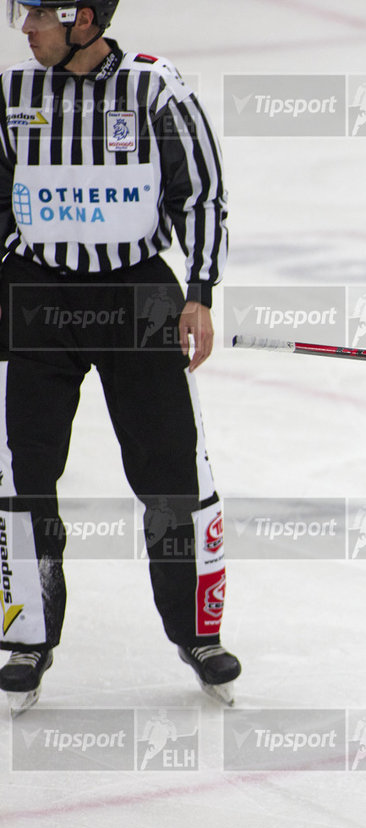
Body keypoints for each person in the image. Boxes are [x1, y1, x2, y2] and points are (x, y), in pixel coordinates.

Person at [0, 0, 235, 711]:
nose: (26, 29)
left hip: (136, 295)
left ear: (85, 20)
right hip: (37, 297)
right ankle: (26, 637)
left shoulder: (156, 88)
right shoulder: (13, 94)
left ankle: (198, 633)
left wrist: (198, 292)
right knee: (22, 473)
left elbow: (202, 196)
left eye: (40, 15)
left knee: (171, 473)